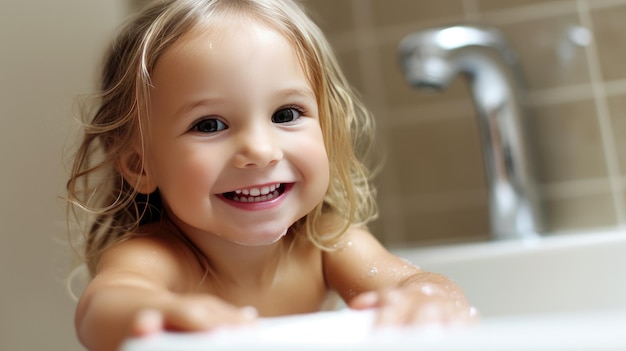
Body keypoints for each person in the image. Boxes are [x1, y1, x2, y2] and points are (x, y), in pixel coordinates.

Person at [66, 0, 477, 350]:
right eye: (209, 125)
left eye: (286, 115)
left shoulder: (325, 243)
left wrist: (429, 296)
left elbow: (406, 280)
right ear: (141, 164)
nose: (261, 152)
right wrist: (159, 313)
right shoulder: (160, 256)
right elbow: (102, 307)